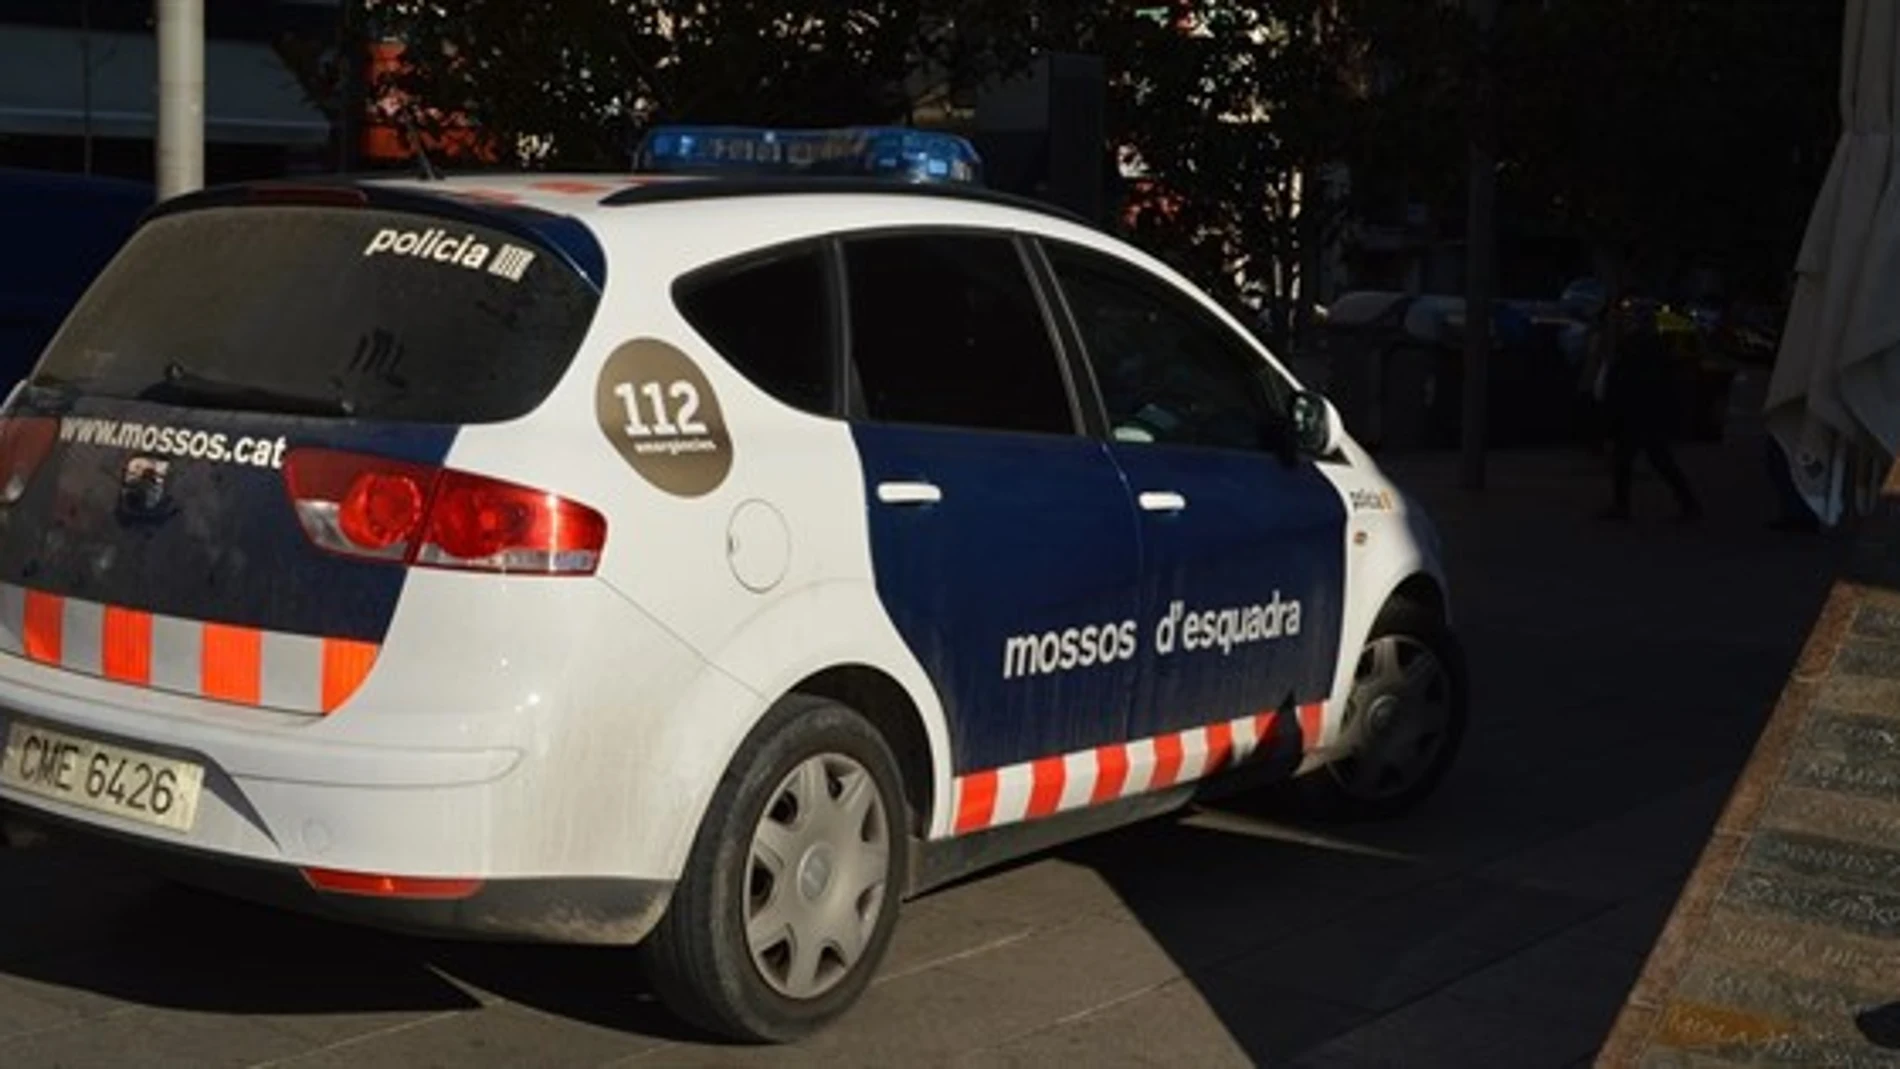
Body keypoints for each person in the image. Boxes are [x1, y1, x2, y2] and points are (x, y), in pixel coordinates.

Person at [1599, 301, 1702, 521]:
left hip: (1637, 411)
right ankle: (1687, 502)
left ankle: (1623, 505)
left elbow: (1623, 381)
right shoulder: (1655, 347)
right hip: (1647, 411)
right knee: (1654, 459)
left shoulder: (1635, 347)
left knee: (1635, 459)